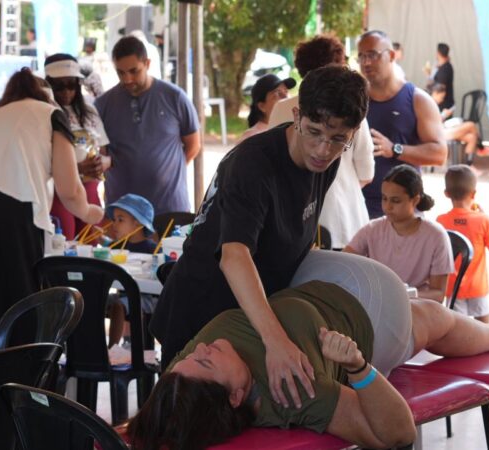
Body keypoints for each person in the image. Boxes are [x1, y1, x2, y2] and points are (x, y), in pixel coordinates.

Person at [128, 250, 489, 450]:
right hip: (370, 317)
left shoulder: (182, 384)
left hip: (313, 280)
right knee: (431, 320)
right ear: (235, 396)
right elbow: (398, 434)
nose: (200, 348)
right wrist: (357, 367)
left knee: (428, 315)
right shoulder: (291, 392)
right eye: (205, 361)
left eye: (190, 357)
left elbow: (153, 424)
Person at [149, 66, 368, 408]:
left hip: (248, 316)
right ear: (297, 115)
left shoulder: (327, 162)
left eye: (339, 139)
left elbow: (296, 238)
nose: (323, 150)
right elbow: (234, 255)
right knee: (188, 426)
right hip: (199, 313)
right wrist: (276, 341)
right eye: (313, 132)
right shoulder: (254, 164)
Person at [0, 68, 104, 352]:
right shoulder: (50, 114)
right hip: (9, 207)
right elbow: (70, 190)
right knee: (20, 306)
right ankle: (16, 382)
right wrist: (93, 213)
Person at [268, 34, 375, 249]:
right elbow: (366, 173)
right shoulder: (349, 111)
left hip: (291, 224)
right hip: (344, 222)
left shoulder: (280, 108)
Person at [94, 36, 200, 215]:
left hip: (170, 209)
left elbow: (193, 145)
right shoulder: (103, 104)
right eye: (121, 73)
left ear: (147, 63)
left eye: (134, 71)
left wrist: (167, 173)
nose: (127, 79)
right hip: (123, 214)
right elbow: (101, 154)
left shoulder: (175, 97)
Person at [358, 30, 447, 219]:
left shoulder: (417, 99)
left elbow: (440, 154)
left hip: (403, 216)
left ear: (391, 55)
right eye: (362, 56)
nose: (366, 62)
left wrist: (395, 149)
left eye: (372, 55)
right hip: (358, 210)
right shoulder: (353, 100)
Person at [345, 164, 454, 303]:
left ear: (415, 200)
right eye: (384, 198)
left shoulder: (436, 236)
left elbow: (438, 294)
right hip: (379, 302)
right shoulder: (372, 229)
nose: (387, 206)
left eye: (395, 200)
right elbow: (344, 262)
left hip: (417, 307)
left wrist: (403, 295)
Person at [45, 53, 111, 240]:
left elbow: (106, 152)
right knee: (63, 243)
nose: (66, 92)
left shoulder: (89, 111)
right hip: (58, 193)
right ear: (48, 85)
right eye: (59, 86)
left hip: (89, 188)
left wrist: (102, 163)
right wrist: (73, 169)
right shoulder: (44, 113)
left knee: (90, 243)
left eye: (72, 85)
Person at [437, 165, 489, 323]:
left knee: (457, 328)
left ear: (446, 194)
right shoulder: (483, 220)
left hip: (453, 287)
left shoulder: (441, 221)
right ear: (474, 194)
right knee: (484, 326)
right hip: (478, 286)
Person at [104, 193, 158, 348]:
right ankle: (92, 347)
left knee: (118, 305)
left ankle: (111, 349)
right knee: (92, 298)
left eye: (120, 220)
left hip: (147, 298)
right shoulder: (117, 246)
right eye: (114, 219)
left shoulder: (153, 249)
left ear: (138, 224)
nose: (114, 224)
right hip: (123, 293)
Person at [430, 83, 485, 162]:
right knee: (471, 125)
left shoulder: (433, 104)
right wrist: (443, 115)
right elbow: (432, 123)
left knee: (472, 137)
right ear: (435, 93)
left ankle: (467, 165)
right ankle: (481, 147)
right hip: (439, 133)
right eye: (441, 97)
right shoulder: (429, 103)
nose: (442, 100)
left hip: (442, 130)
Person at [239, 74, 295, 142]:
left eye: (286, 92)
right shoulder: (253, 137)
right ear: (262, 106)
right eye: (278, 93)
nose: (286, 97)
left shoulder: (290, 131)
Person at [427, 43, 455, 118]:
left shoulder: (444, 69)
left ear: (438, 53)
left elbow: (439, 91)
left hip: (443, 106)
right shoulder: (444, 67)